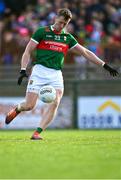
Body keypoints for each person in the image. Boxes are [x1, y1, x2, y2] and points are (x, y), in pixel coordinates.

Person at [5, 8, 118, 140]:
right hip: (39, 71)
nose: (62, 25)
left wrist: (105, 65)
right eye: (60, 22)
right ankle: (18, 108)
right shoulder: (42, 32)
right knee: (29, 106)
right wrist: (23, 70)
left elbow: (85, 53)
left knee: (56, 102)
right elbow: (27, 51)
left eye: (65, 24)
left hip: (56, 74)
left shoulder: (67, 38)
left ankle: (37, 133)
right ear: (55, 19)